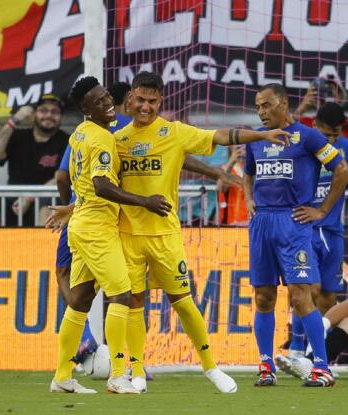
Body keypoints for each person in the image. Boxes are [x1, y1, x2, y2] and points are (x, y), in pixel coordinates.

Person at [112, 71, 293, 394]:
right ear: (130, 99)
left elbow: (221, 136)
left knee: (183, 301)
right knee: (134, 300)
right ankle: (137, 371)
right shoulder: (118, 140)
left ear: (160, 101)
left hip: (165, 235)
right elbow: (103, 185)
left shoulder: (174, 132)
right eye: (140, 100)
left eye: (152, 101)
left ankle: (211, 367)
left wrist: (261, 136)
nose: (146, 107)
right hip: (127, 235)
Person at [49, 76, 172, 394]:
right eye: (99, 101)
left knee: (79, 301)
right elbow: (102, 186)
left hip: (81, 224)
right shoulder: (102, 139)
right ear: (86, 108)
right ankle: (118, 375)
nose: (107, 104)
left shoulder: (79, 133)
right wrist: (145, 201)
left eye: (106, 97)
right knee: (121, 295)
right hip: (96, 228)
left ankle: (62, 376)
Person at [243, 82, 348, 388]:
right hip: (262, 223)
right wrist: (248, 198)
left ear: (283, 104)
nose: (261, 112)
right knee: (263, 296)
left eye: (266, 105)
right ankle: (266, 365)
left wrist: (322, 210)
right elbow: (248, 174)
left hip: (293, 222)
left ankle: (322, 367)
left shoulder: (308, 136)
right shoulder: (256, 139)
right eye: (258, 107)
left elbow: (342, 170)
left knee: (301, 295)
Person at [275, 102, 348, 370]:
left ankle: (313, 352)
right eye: (327, 134)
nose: (331, 140)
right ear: (315, 125)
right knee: (308, 287)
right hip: (304, 228)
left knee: (328, 297)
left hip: (332, 232)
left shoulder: (345, 149)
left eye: (336, 134)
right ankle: (297, 347)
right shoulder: (301, 146)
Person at [0, 94, 69, 226]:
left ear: (61, 118)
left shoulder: (67, 141)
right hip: (14, 197)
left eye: (54, 112)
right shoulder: (18, 136)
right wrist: (14, 120)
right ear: (33, 114)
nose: (49, 115)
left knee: (47, 209)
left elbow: (59, 178)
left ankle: (44, 241)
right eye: (43, 110)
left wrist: (30, 197)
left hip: (47, 196)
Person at [293, 74, 348, 143]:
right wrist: (300, 110)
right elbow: (290, 133)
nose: (328, 94)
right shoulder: (306, 122)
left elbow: (344, 145)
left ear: (340, 95)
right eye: (322, 91)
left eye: (331, 89)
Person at [217, 144, 250, 225]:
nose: (242, 147)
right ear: (231, 147)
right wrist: (231, 162)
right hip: (232, 223)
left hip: (251, 222)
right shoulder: (225, 168)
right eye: (238, 146)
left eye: (244, 144)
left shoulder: (255, 168)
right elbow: (220, 189)